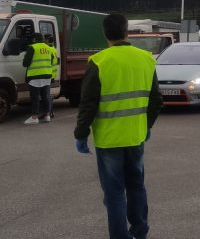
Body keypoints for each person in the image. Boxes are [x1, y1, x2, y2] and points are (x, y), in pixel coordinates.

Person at [74, 14, 163, 239]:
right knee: (136, 186)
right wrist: (147, 125)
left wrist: (81, 134)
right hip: (136, 136)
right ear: (126, 31)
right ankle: (140, 232)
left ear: (105, 34)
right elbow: (156, 100)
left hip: (109, 139)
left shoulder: (99, 61)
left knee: (114, 195)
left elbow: (88, 102)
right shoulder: (146, 59)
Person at [22, 33, 54, 124]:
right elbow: (51, 60)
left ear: (34, 39)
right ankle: (47, 115)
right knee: (46, 96)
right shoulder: (49, 48)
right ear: (43, 39)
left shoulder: (32, 47)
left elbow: (25, 63)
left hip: (35, 76)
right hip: (47, 75)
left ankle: (34, 117)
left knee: (35, 97)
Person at [44, 33, 59, 119]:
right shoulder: (53, 49)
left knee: (46, 95)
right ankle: (50, 111)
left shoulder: (48, 49)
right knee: (47, 94)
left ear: (46, 40)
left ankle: (49, 112)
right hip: (52, 74)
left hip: (48, 74)